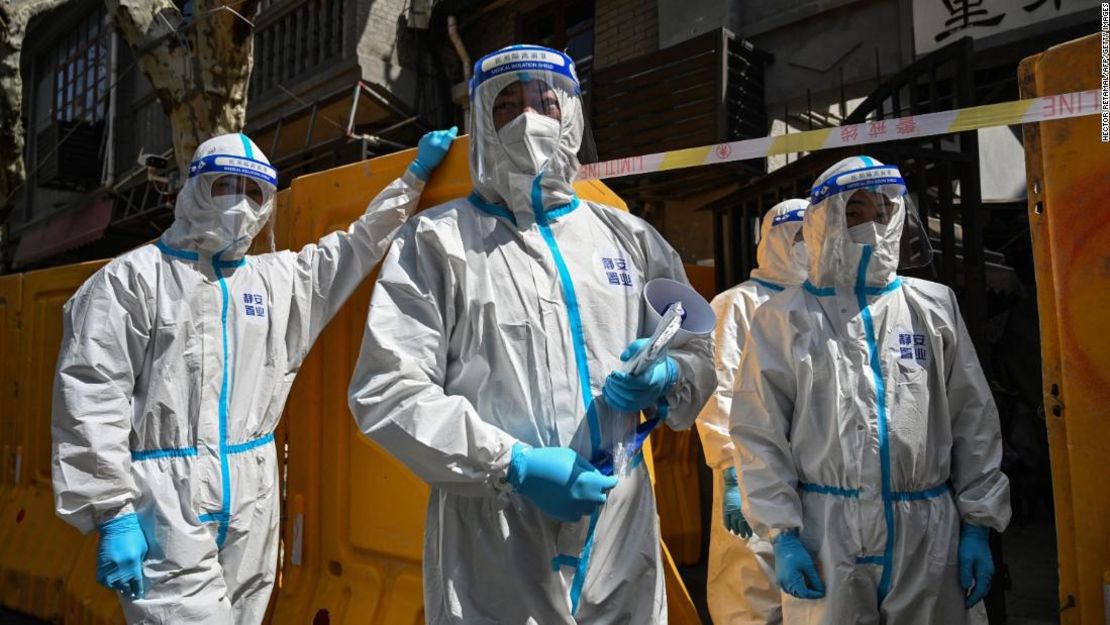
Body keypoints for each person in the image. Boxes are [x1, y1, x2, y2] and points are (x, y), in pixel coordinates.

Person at [347, 44, 714, 624]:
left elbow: (697, 348)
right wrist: (512, 465)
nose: (530, 119)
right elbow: (387, 391)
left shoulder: (628, 239)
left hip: (617, 525)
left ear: (572, 115)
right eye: (508, 106)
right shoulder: (436, 243)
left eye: (547, 101)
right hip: (494, 530)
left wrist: (669, 375)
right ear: (482, 125)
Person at [52, 127, 457, 624]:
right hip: (164, 503)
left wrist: (412, 178)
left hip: (254, 494)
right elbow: (91, 395)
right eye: (226, 185)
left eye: (254, 191)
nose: (240, 203)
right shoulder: (130, 281)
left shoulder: (276, 281)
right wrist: (112, 511)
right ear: (196, 188)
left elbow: (356, 245)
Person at [729, 156, 1011, 625]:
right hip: (826, 533)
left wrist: (978, 524)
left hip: (926, 534)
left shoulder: (932, 306)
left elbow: (973, 418)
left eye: (884, 212)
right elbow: (759, 432)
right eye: (856, 212)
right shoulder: (783, 318)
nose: (874, 226)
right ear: (824, 222)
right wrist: (783, 534)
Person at [696, 198, 808, 624]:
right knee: (751, 586)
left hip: (813, 473)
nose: (807, 246)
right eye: (798, 237)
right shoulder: (737, 303)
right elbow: (718, 387)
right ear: (774, 239)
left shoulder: (820, 303)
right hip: (750, 470)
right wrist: (728, 469)